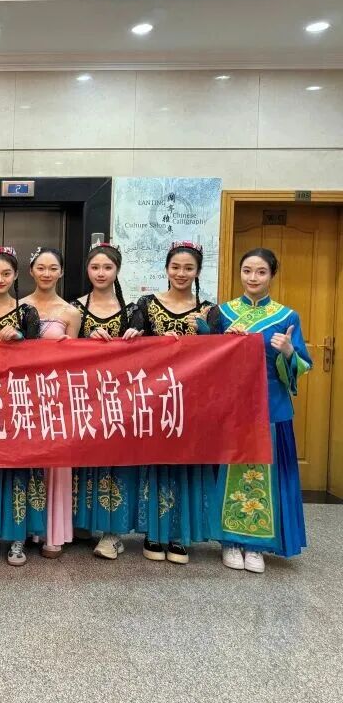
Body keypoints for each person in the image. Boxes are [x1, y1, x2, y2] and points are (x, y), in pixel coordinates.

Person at [201, 248, 310, 573]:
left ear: (272, 275)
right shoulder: (222, 313)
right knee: (229, 469)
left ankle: (258, 544)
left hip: (270, 405)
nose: (253, 278)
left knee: (267, 471)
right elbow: (205, 359)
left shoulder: (286, 317)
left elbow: (303, 365)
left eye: (261, 272)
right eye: (247, 270)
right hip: (232, 406)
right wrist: (216, 338)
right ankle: (230, 541)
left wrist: (288, 351)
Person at [132, 241, 216, 565]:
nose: (181, 273)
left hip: (193, 401)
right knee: (156, 462)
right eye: (175, 267)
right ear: (166, 269)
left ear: (197, 271)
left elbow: (219, 353)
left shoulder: (208, 310)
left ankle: (181, 534)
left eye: (188, 268)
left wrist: (207, 333)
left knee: (186, 464)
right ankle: (153, 532)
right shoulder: (146, 304)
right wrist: (139, 339)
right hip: (156, 399)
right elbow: (133, 348)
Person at [0, 246, 45, 567]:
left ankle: (18, 537)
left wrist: (20, 340)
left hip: (19, 403)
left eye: (6, 273)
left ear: (15, 276)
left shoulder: (27, 313)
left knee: (18, 468)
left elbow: (40, 358)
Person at [69, 243, 142, 560]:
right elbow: (63, 352)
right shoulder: (74, 308)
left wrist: (135, 340)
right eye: (95, 267)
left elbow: (148, 357)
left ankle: (113, 533)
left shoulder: (133, 310)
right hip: (84, 399)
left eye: (107, 267)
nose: (101, 273)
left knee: (115, 462)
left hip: (120, 401)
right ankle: (81, 524)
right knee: (84, 461)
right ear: (87, 269)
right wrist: (85, 342)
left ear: (117, 270)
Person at [21, 247, 82, 559]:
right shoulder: (18, 307)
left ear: (61, 272)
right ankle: (25, 526)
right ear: (31, 271)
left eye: (53, 268)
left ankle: (52, 531)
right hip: (24, 394)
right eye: (41, 268)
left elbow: (77, 361)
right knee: (27, 460)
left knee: (55, 461)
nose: (46, 273)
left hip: (57, 395)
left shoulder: (71, 313)